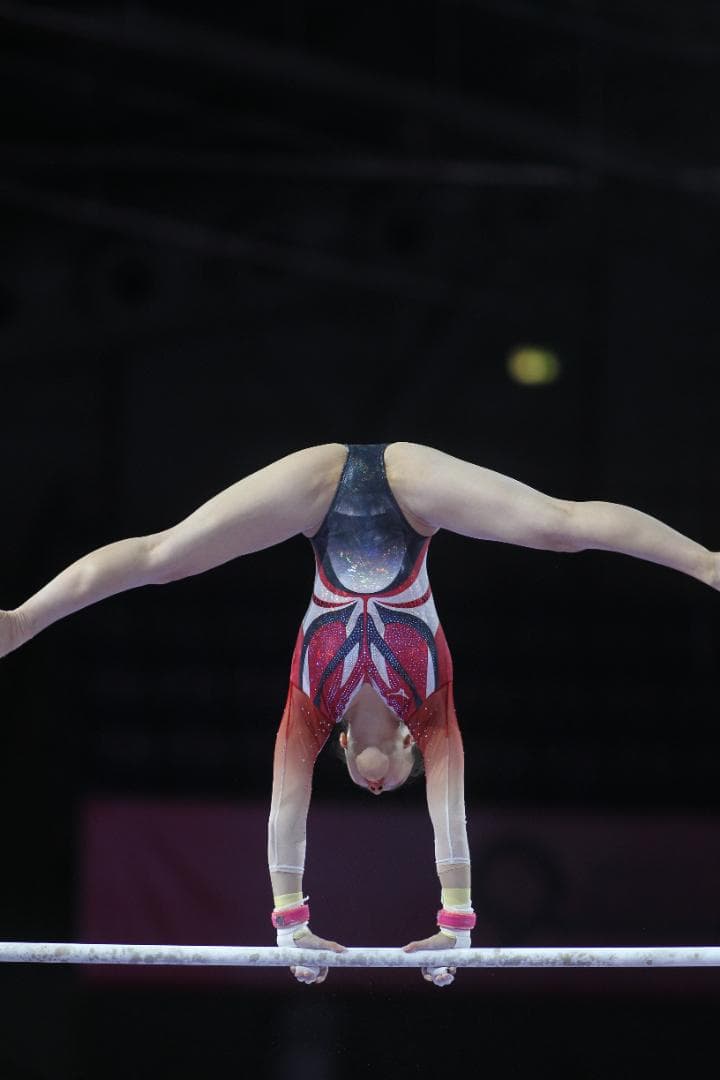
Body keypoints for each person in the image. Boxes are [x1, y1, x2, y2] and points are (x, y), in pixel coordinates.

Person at [1, 441, 717, 988]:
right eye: (400, 779)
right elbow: (450, 807)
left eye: (364, 782)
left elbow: (287, 802)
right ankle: (709, 562)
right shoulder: (432, 710)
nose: (380, 786)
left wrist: (291, 924)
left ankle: (20, 623)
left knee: (166, 557)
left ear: (343, 745)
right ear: (408, 744)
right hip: (411, 490)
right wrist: (456, 922)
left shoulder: (311, 707)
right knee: (557, 526)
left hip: (313, 496)